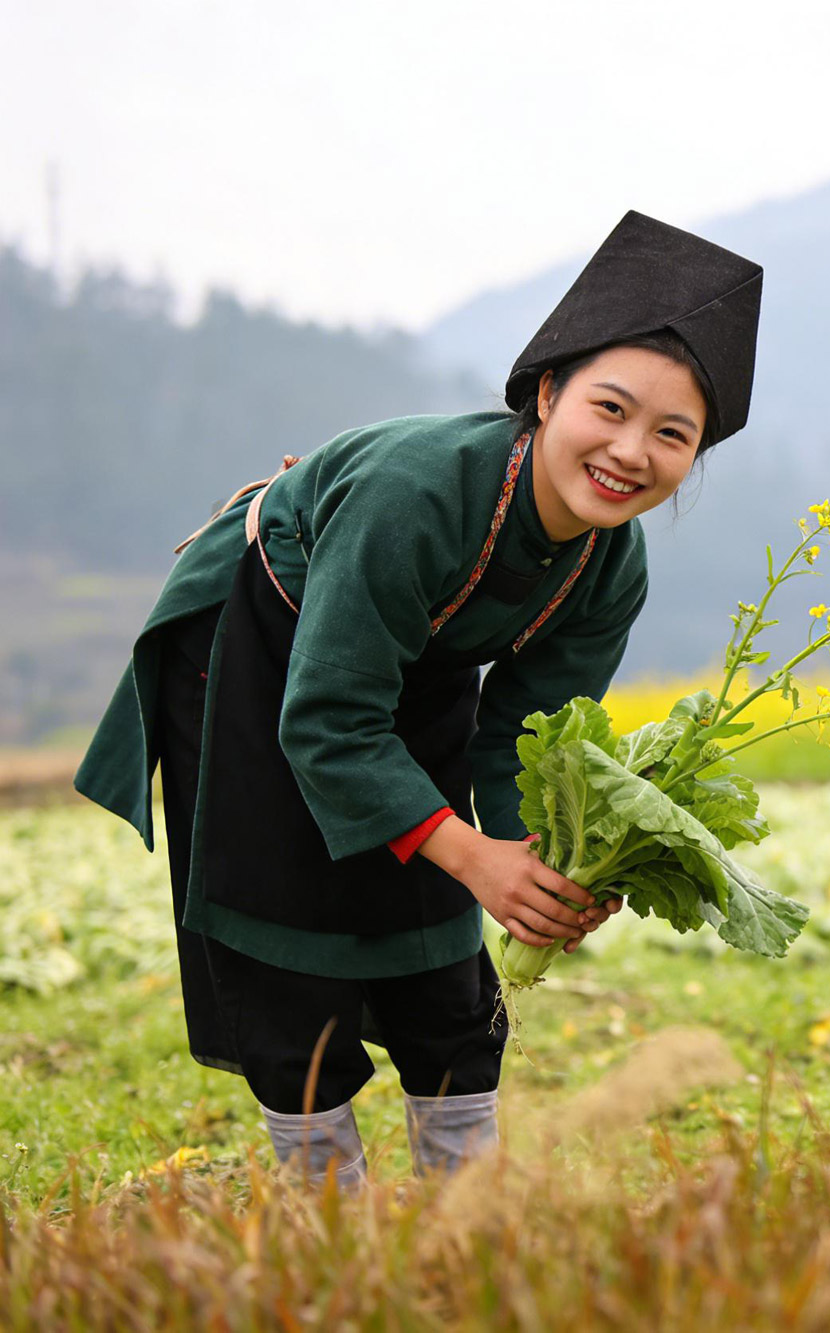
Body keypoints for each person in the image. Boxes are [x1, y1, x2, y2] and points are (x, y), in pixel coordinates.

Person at [72, 212, 764, 1187]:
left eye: (670, 434)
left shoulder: (609, 565)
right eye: (607, 408)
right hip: (259, 645)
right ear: (546, 392)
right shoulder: (416, 495)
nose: (629, 451)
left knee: (438, 942)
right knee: (286, 928)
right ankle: (330, 1232)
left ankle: (462, 1210)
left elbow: (531, 735)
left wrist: (538, 862)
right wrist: (468, 850)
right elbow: (327, 719)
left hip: (407, 669)